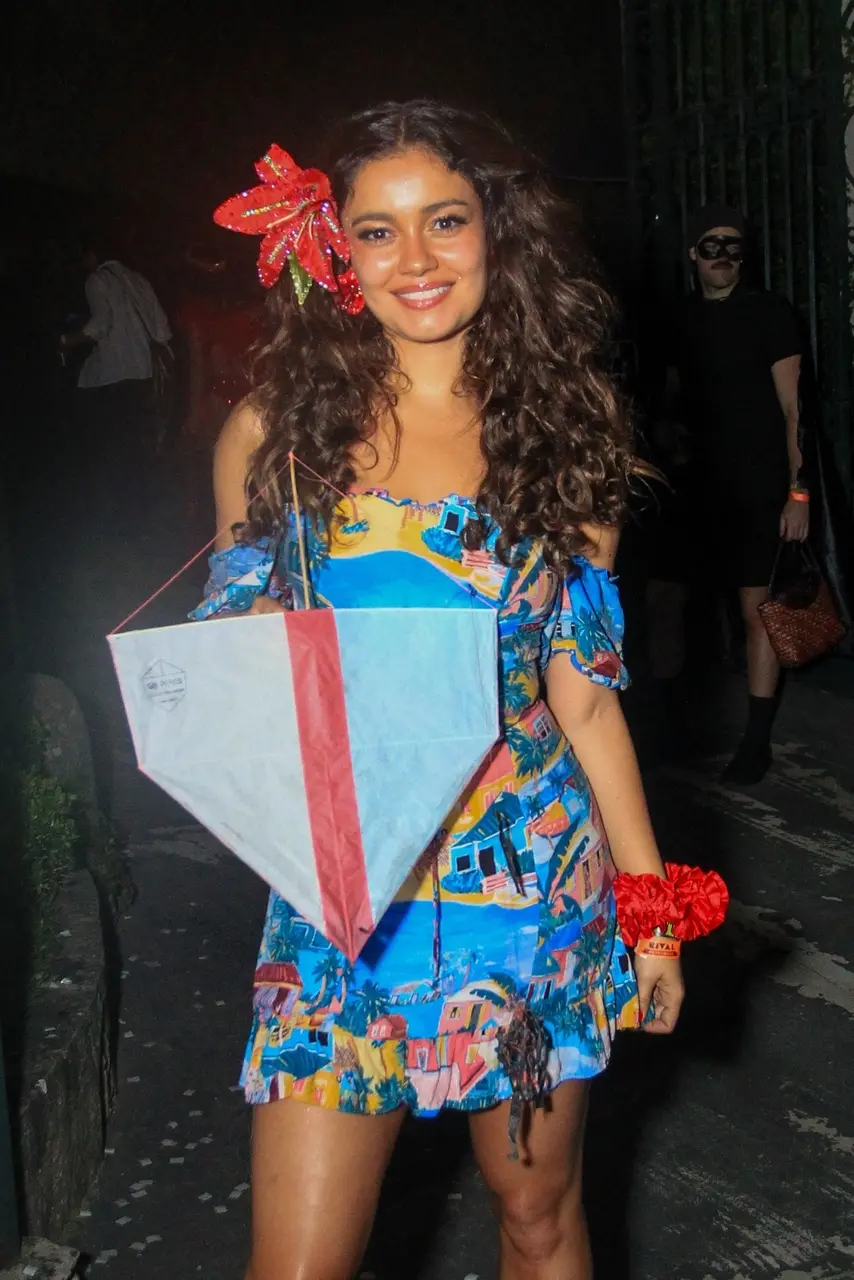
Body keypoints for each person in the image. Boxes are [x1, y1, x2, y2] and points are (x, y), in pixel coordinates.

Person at [200, 102, 689, 1280]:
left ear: (496, 233)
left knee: (537, 1219)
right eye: (377, 231)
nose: (414, 261)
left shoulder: (567, 437)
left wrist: (652, 911)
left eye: (444, 221)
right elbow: (241, 688)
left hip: (526, 893)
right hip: (345, 901)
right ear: (336, 252)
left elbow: (581, 699)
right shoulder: (276, 437)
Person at [646, 204, 808, 784]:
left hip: (754, 483)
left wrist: (799, 492)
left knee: (755, 610)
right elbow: (665, 400)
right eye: (710, 245)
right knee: (665, 598)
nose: (722, 257)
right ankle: (666, 732)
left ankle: (755, 740)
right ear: (693, 253)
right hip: (691, 486)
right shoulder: (676, 319)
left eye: (733, 247)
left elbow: (795, 410)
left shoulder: (770, 313)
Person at [60, 240, 172, 510]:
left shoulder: (97, 280)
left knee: (112, 446)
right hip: (144, 373)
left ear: (92, 254)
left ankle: (114, 507)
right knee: (135, 444)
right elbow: (162, 329)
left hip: (113, 374)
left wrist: (67, 340)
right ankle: (139, 503)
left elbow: (100, 324)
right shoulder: (138, 279)